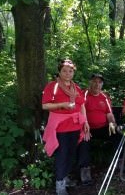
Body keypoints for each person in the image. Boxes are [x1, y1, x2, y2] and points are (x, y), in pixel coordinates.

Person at [42, 59, 90, 195]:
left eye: (70, 71)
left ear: (73, 72)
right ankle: (60, 185)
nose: (68, 73)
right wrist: (61, 105)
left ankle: (65, 178)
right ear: (59, 72)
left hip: (75, 126)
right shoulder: (52, 86)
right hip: (60, 127)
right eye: (64, 71)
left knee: (71, 154)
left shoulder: (76, 88)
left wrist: (85, 122)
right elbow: (45, 105)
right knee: (62, 155)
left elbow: (81, 105)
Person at [77, 73, 117, 185]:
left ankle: (114, 163)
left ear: (102, 84)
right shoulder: (84, 94)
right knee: (84, 141)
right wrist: (84, 126)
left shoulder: (104, 96)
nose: (97, 84)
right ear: (90, 82)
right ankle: (84, 170)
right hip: (87, 127)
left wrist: (112, 123)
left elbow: (109, 113)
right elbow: (80, 111)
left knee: (118, 135)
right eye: (94, 81)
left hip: (102, 127)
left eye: (99, 82)